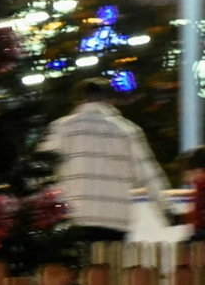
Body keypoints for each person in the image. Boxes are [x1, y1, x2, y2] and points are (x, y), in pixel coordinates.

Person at [41, 79, 172, 244]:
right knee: (109, 260)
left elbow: (41, 169)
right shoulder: (127, 130)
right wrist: (166, 208)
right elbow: (149, 174)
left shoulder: (62, 128)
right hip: (115, 218)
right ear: (110, 100)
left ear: (78, 100)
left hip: (75, 216)